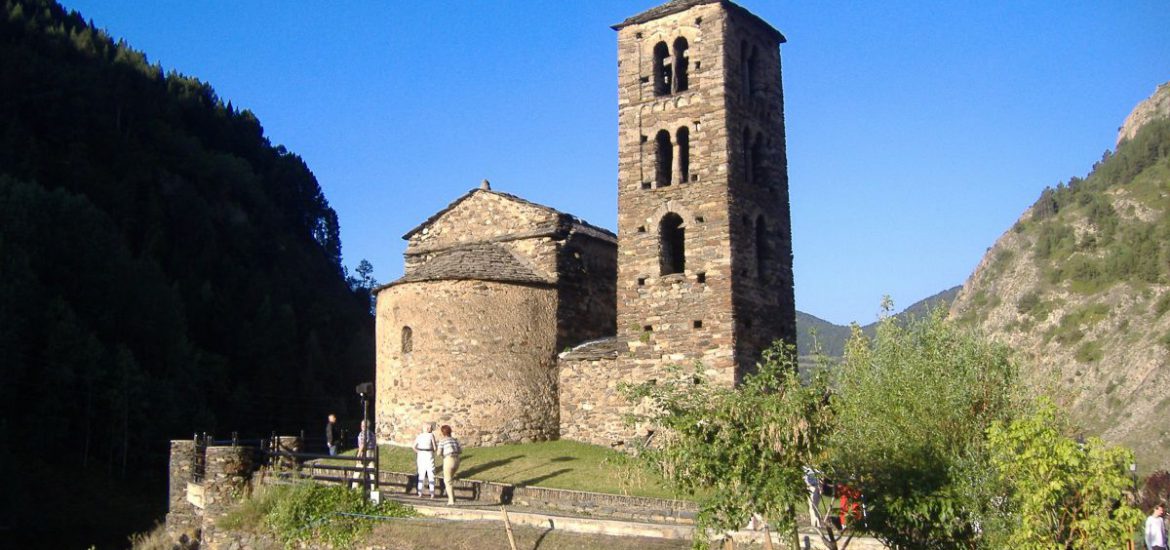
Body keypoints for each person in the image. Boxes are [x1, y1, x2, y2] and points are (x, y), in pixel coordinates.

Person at [437, 425, 462, 505]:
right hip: (457, 460)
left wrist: (441, 454)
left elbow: (438, 453)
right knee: (450, 478)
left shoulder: (442, 441)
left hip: (448, 459)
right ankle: (453, 497)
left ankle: (451, 500)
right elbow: (460, 451)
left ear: (442, 432)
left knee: (447, 480)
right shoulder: (455, 440)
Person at [413, 423, 438, 498]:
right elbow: (435, 448)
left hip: (421, 455)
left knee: (421, 474)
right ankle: (432, 493)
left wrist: (419, 452)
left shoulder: (419, 436)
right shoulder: (431, 435)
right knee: (431, 474)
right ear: (429, 429)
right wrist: (432, 451)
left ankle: (420, 493)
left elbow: (413, 446)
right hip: (429, 455)